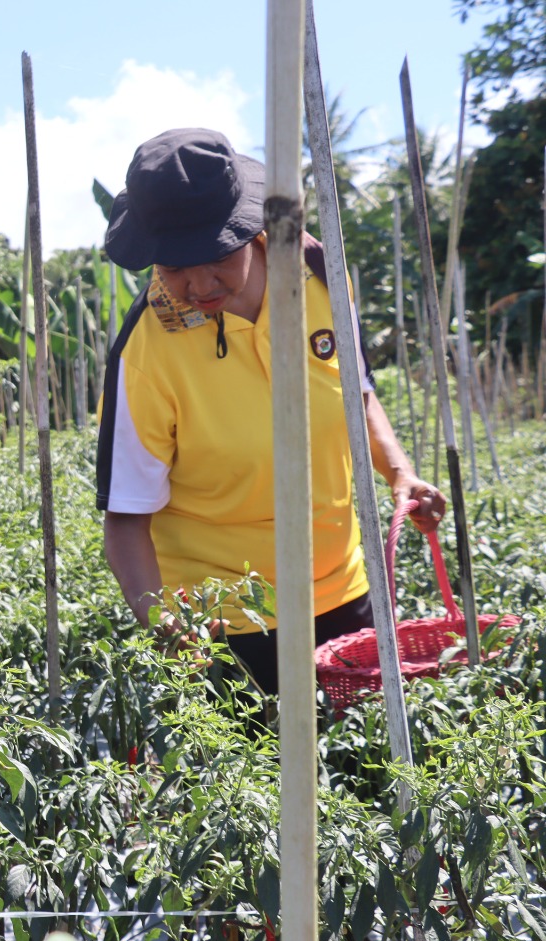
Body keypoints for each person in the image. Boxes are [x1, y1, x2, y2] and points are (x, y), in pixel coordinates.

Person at [95, 128, 444, 696]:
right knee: (251, 755)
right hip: (226, 623)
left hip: (345, 588)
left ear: (249, 228)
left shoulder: (317, 272)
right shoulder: (144, 354)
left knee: (364, 749)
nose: (198, 283)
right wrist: (167, 627)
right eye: (174, 266)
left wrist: (400, 473)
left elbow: (355, 392)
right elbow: (126, 520)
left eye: (217, 256)